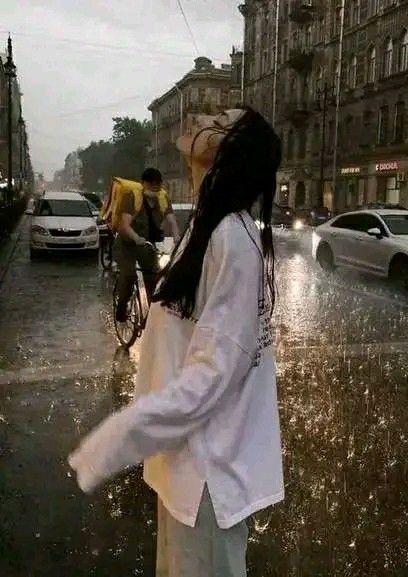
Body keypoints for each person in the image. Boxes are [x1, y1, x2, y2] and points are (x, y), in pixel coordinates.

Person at [68, 107, 284, 577]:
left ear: (226, 151)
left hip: (206, 478)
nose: (206, 115)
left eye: (221, 118)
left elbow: (211, 377)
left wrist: (119, 437)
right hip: (185, 469)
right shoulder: (210, 228)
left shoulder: (231, 239)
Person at [115, 168, 180, 323]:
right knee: (129, 274)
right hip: (127, 244)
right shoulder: (133, 197)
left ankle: (153, 318)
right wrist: (136, 237)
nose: (155, 187)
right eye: (151, 184)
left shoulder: (163, 199)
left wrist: (177, 235)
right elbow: (124, 224)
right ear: (144, 183)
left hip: (148, 245)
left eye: (157, 184)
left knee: (155, 279)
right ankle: (121, 306)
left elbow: (171, 219)